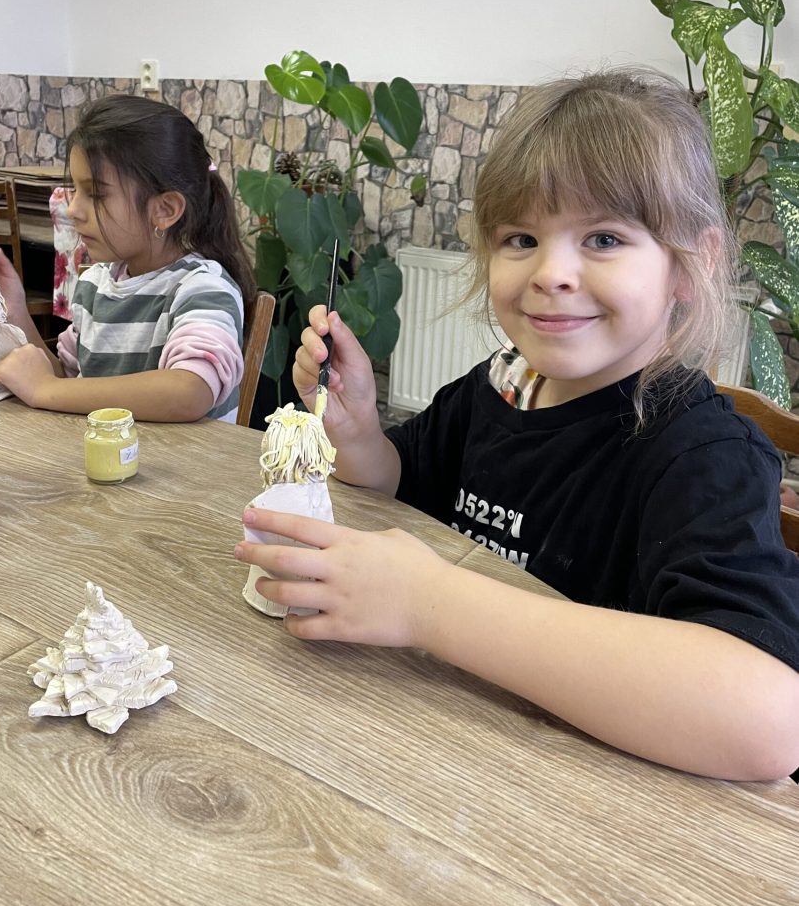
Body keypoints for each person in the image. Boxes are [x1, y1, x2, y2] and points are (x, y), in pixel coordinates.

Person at [234, 68, 799, 781]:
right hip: (450, 750)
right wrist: (357, 431)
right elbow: (399, 481)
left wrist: (430, 605)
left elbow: (767, 720)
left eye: (603, 239)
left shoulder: (705, 454)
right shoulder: (502, 386)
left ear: (691, 264)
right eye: (522, 238)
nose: (550, 272)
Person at [0, 94, 255, 423]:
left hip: (188, 459)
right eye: (75, 190)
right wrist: (16, 311)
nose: (73, 210)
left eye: (96, 194)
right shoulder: (94, 284)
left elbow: (190, 392)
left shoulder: (203, 287)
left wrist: (45, 388)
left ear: (164, 210)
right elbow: (68, 383)